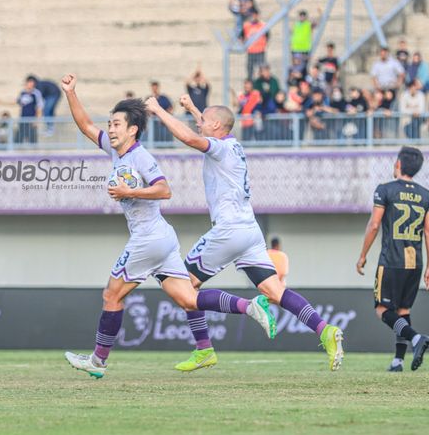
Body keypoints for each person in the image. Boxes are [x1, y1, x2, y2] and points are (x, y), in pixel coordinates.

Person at [60, 74, 274, 378]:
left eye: (116, 124)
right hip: (162, 239)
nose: (110, 128)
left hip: (147, 239)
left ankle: (97, 361)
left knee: (112, 296)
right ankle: (250, 307)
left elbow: (164, 190)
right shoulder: (114, 149)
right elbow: (85, 125)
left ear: (133, 130)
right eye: (110, 123)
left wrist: (128, 192)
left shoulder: (141, 157)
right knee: (188, 298)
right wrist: (71, 93)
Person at [148, 94, 345, 372]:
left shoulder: (219, 148)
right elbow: (204, 127)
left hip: (229, 230)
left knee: (184, 287)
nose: (198, 123)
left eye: (203, 120)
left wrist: (157, 110)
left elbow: (191, 139)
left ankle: (207, 346)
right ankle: (325, 330)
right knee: (276, 291)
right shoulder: (233, 145)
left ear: (217, 126)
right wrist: (192, 108)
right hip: (250, 231)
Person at [356, 146, 429, 372]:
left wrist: (363, 255)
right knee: (402, 311)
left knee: (382, 310)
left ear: (398, 164)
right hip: (415, 262)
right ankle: (398, 361)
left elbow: (374, 225)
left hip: (392, 259)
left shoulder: (385, 190)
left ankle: (416, 337)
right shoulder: (427, 196)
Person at [16, 76, 44, 144]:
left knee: (32, 140)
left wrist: (37, 120)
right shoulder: (22, 93)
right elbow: (20, 105)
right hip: (23, 120)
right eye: (29, 83)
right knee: (19, 139)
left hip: (31, 120)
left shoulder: (36, 93)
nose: (30, 85)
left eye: (32, 83)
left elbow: (39, 108)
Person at [242, 10, 268, 80]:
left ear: (258, 15)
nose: (254, 17)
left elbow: (267, 36)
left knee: (262, 70)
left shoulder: (263, 25)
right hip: (251, 51)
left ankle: (261, 85)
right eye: (252, 15)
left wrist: (263, 45)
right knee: (250, 71)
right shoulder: (246, 25)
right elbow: (242, 36)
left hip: (260, 51)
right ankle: (251, 85)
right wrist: (244, 45)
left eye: (255, 15)